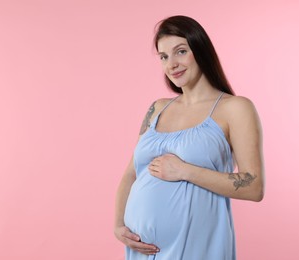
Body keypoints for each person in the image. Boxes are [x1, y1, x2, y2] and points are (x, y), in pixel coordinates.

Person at [114, 15, 265, 260]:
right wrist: (119, 225)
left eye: (180, 51)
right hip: (141, 251)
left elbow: (254, 187)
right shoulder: (157, 108)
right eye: (163, 57)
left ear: (200, 50)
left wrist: (184, 171)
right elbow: (131, 174)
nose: (171, 64)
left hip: (198, 248)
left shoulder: (235, 108)